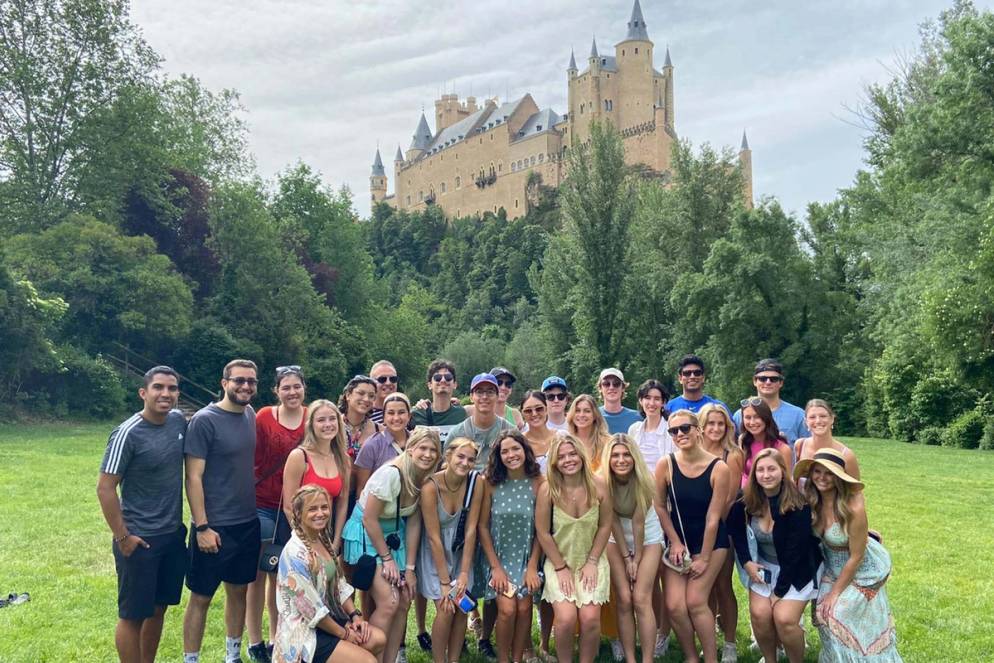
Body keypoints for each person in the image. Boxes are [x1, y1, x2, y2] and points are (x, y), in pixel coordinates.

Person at [97, 366, 188, 663]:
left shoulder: (177, 421)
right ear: (143, 393)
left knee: (159, 608)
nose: (166, 394)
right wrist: (122, 537)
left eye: (172, 388)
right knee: (133, 615)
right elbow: (106, 488)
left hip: (172, 534)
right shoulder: (127, 433)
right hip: (139, 539)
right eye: (158, 387)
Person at [183, 359, 262, 663]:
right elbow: (193, 477)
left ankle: (233, 656)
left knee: (238, 591)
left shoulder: (250, 415)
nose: (245, 386)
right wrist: (202, 527)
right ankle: (191, 658)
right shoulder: (204, 420)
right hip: (213, 526)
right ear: (224, 382)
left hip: (247, 521)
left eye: (251, 381)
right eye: (239, 380)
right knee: (201, 597)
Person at [341, 428, 441, 663]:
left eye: (433, 450)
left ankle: (390, 658)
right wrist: (387, 559)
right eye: (422, 448)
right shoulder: (392, 474)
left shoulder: (424, 478)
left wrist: (409, 568)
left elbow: (414, 523)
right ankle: (364, 657)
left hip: (395, 535)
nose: (427, 454)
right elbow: (369, 518)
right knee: (389, 601)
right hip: (367, 534)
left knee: (404, 599)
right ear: (411, 449)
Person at [796, 450, 902, 662]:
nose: (822, 478)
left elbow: (856, 557)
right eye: (817, 472)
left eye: (829, 473)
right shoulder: (810, 501)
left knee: (837, 614)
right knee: (821, 615)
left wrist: (835, 593)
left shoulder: (853, 507)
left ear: (839, 477)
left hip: (862, 569)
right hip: (831, 568)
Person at [727, 449, 821, 663]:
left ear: (782, 471)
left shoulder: (798, 505)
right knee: (760, 615)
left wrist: (778, 592)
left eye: (772, 469)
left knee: (784, 619)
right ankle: (771, 659)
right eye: (760, 470)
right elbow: (736, 529)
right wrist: (746, 561)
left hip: (797, 570)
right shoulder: (746, 499)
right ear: (754, 474)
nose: (766, 475)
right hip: (765, 566)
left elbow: (795, 554)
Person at [273, 484, 385, 663]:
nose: (320, 513)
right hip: (306, 631)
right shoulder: (295, 554)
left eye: (324, 507)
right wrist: (345, 633)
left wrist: (355, 616)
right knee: (367, 661)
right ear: (298, 514)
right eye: (312, 509)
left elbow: (339, 585)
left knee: (378, 639)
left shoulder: (321, 538)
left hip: (329, 619)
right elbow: (311, 611)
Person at [445, 373, 514, 658]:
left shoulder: (508, 431)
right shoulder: (459, 431)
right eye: (479, 392)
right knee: (463, 575)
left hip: (496, 515)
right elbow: (447, 471)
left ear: (499, 396)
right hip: (462, 515)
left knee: (492, 576)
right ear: (471, 396)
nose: (485, 397)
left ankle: (486, 635)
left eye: (490, 392)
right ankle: (458, 634)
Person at [654, 410, 730, 663]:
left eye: (685, 428)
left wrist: (704, 558)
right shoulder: (666, 464)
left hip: (712, 542)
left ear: (698, 430)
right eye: (673, 431)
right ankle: (690, 656)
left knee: (696, 601)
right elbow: (660, 506)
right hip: (679, 540)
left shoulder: (719, 468)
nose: (679, 434)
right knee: (675, 605)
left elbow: (713, 517)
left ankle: (710, 657)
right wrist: (675, 541)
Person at [247, 365, 308, 663]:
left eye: (297, 386)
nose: (292, 392)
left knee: (279, 576)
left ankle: (275, 637)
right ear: (276, 391)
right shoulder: (263, 417)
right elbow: (251, 457)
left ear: (303, 388)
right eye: (286, 387)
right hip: (263, 502)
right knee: (257, 574)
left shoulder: (311, 418)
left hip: (295, 507)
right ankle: (254, 640)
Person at [535, 435, 613, 663]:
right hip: (560, 562)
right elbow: (543, 532)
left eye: (572, 454)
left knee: (590, 619)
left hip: (592, 559)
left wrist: (592, 562)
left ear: (581, 455)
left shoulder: (599, 485)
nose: (568, 460)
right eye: (561, 457)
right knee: (566, 619)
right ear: (554, 462)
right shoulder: (548, 489)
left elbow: (605, 524)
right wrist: (560, 567)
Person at [478, 431, 544, 663]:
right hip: (498, 558)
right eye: (504, 451)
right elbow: (483, 527)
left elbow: (541, 531)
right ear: (498, 456)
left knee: (525, 609)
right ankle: (503, 659)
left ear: (525, 451)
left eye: (515, 449)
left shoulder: (538, 483)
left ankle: (518, 658)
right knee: (507, 610)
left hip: (527, 558)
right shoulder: (490, 484)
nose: (511, 455)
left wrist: (533, 566)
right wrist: (495, 567)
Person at [418, 437, 484, 663]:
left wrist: (464, 572)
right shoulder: (430, 487)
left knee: (461, 609)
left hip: (461, 552)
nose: (465, 463)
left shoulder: (476, 482)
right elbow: (434, 537)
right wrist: (446, 583)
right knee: (446, 609)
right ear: (448, 457)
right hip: (435, 554)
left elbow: (471, 529)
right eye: (461, 457)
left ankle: (454, 659)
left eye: (471, 459)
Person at [601, 435, 663, 663]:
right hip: (615, 537)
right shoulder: (602, 481)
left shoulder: (646, 479)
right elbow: (612, 521)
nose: (621, 460)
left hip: (647, 535)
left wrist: (636, 558)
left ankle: (647, 659)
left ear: (634, 457)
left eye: (626, 454)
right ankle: (630, 658)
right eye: (615, 455)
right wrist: (627, 559)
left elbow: (638, 523)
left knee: (640, 598)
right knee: (624, 598)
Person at [626, 379, 673, 657]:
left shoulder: (670, 432)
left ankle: (664, 632)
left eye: (657, 398)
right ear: (641, 401)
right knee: (648, 576)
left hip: (664, 504)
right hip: (639, 506)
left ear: (663, 402)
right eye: (647, 398)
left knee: (665, 574)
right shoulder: (634, 429)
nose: (652, 403)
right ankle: (653, 629)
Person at [697, 403, 744, 663]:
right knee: (705, 589)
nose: (715, 428)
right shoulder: (693, 450)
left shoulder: (733, 454)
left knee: (723, 585)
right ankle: (709, 640)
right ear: (701, 427)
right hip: (694, 530)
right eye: (710, 423)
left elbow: (728, 498)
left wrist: (712, 529)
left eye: (721, 424)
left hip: (721, 528)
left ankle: (729, 643)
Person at [281, 400, 351, 555]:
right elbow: (288, 506)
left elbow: (342, 503)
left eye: (332, 419)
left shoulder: (343, 459)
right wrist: (308, 542)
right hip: (300, 536)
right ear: (311, 424)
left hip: (328, 534)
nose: (328, 424)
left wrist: (336, 542)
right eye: (321, 420)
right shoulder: (299, 456)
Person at [732, 359, 809, 447]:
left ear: (781, 383)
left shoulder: (798, 415)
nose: (768, 382)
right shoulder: (740, 415)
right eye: (762, 379)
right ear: (754, 381)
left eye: (774, 379)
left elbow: (808, 449)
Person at [354, 393, 412, 499]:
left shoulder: (417, 442)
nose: (396, 418)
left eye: (401, 412)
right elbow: (362, 489)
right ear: (384, 417)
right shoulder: (372, 445)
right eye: (390, 413)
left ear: (409, 416)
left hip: (411, 509)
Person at [793, 399, 860, 480]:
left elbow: (856, 491)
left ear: (832, 419)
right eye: (812, 417)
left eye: (823, 416)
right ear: (806, 421)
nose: (818, 421)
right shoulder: (800, 445)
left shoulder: (846, 455)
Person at [739, 398, 793, 490]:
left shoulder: (782, 449)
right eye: (748, 417)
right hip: (746, 498)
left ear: (766, 417)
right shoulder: (743, 441)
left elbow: (788, 484)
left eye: (757, 417)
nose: (752, 422)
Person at [411, 359, 467, 446]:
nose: (443, 380)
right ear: (429, 385)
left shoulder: (461, 414)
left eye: (448, 377)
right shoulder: (417, 413)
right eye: (437, 378)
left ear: (455, 384)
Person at [339, 375, 380, 463]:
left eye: (371, 396)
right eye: (361, 393)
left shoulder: (379, 431)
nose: (366, 399)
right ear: (348, 395)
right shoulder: (333, 425)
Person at [567, 394, 612, 471]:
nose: (581, 415)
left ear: (595, 415)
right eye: (577, 411)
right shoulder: (565, 442)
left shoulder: (608, 442)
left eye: (587, 411)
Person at [598, 368, 643, 434]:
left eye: (616, 384)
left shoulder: (638, 418)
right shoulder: (593, 416)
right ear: (600, 388)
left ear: (623, 388)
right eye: (606, 384)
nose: (611, 387)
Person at [521, 390, 556, 472]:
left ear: (546, 409)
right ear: (522, 413)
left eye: (539, 409)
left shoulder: (562, 436)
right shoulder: (519, 443)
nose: (534, 414)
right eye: (528, 411)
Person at [369, 360, 399, 425]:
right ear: (372, 382)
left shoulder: (405, 413)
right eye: (382, 379)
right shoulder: (364, 414)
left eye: (393, 379)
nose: (388, 383)